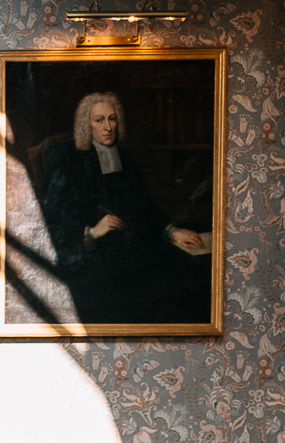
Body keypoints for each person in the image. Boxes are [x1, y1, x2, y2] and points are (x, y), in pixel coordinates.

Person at [39, 91, 210, 325]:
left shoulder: (127, 164)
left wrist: (171, 231)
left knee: (189, 270)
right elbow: (52, 227)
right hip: (96, 260)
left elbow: (145, 209)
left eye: (112, 118)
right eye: (99, 120)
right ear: (86, 126)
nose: (107, 126)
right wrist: (92, 232)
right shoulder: (71, 169)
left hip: (134, 250)